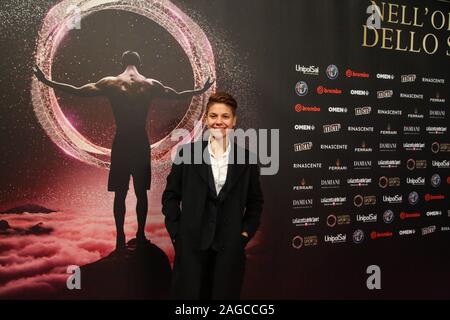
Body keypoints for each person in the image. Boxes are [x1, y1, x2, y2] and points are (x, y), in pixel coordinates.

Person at [33, 50, 214, 250]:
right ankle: (141, 235)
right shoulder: (150, 84)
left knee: (120, 193)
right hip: (140, 141)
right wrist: (202, 90)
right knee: (141, 193)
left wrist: (47, 82)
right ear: (139, 62)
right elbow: (179, 95)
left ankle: (120, 239)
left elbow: (77, 90)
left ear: (123, 62)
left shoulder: (110, 82)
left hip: (121, 142)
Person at [162, 92, 264, 299]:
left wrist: (244, 235)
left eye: (225, 116)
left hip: (229, 252)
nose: (219, 121)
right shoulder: (186, 154)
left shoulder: (248, 159)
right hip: (191, 250)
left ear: (234, 121)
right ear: (206, 119)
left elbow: (255, 203)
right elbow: (170, 196)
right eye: (214, 116)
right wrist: (177, 233)